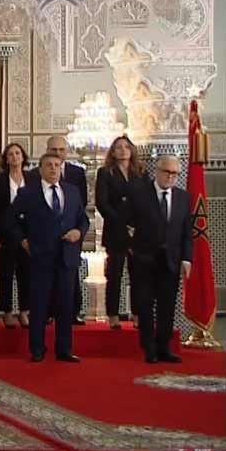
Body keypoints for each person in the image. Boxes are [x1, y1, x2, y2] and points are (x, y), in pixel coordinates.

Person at [9, 152, 89, 363]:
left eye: (56, 165)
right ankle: (37, 349)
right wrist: (23, 241)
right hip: (40, 257)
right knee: (39, 305)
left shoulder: (72, 192)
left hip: (67, 257)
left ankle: (64, 349)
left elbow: (83, 220)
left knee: (65, 305)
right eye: (49, 165)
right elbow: (11, 220)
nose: (53, 168)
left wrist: (78, 232)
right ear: (41, 169)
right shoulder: (28, 193)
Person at [126, 155, 191, 364]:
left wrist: (187, 258)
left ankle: (164, 348)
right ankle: (149, 348)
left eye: (175, 173)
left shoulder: (183, 197)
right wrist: (133, 248)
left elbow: (186, 232)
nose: (171, 177)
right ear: (157, 171)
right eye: (167, 172)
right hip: (145, 260)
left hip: (171, 261)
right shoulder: (139, 194)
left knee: (167, 306)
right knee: (145, 306)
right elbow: (126, 223)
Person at [28, 135, 88, 325]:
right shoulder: (33, 178)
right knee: (44, 285)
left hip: (69, 241)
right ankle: (47, 315)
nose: (58, 154)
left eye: (61, 150)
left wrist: (77, 231)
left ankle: (72, 315)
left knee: (70, 282)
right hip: (43, 244)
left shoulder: (76, 176)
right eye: (54, 150)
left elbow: (81, 208)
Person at [95, 136, 146, 329]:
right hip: (116, 231)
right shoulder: (105, 173)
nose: (123, 150)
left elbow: (147, 200)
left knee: (138, 275)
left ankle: (138, 313)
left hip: (137, 232)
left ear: (132, 150)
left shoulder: (140, 172)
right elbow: (102, 203)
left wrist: (136, 225)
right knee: (115, 275)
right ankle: (113, 315)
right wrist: (122, 224)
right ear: (113, 152)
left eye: (126, 147)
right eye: (118, 147)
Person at [0, 143, 31, 329]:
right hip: (4, 232)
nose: (14, 157)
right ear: (6, 159)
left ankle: (25, 310)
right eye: (10, 154)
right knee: (5, 273)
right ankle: (6, 311)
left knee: (26, 273)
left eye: (17, 153)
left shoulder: (32, 178)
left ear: (23, 156)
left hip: (27, 233)